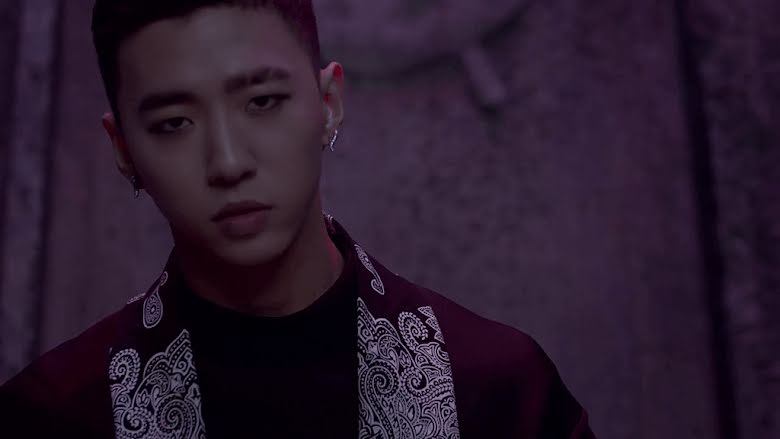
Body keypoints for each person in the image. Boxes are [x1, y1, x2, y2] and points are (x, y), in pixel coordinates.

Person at [0, 1, 596, 437]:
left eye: (262, 102)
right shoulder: (53, 415)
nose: (228, 162)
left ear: (328, 104)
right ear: (123, 149)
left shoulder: (499, 392)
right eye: (174, 123)